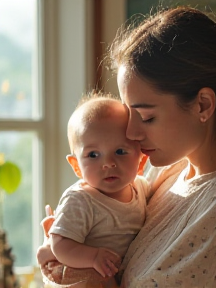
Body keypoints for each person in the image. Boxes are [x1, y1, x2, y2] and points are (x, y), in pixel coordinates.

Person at [38, 5, 216, 287]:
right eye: (130, 115)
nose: (131, 133)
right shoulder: (168, 173)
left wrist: (65, 266)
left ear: (203, 105)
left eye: (146, 117)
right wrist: (68, 245)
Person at [37, 93, 151, 287]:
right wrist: (92, 256)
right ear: (76, 166)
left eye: (120, 151)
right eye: (93, 154)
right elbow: (61, 245)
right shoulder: (81, 200)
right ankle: (46, 255)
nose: (108, 163)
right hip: (83, 270)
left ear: (141, 159)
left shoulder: (141, 188)